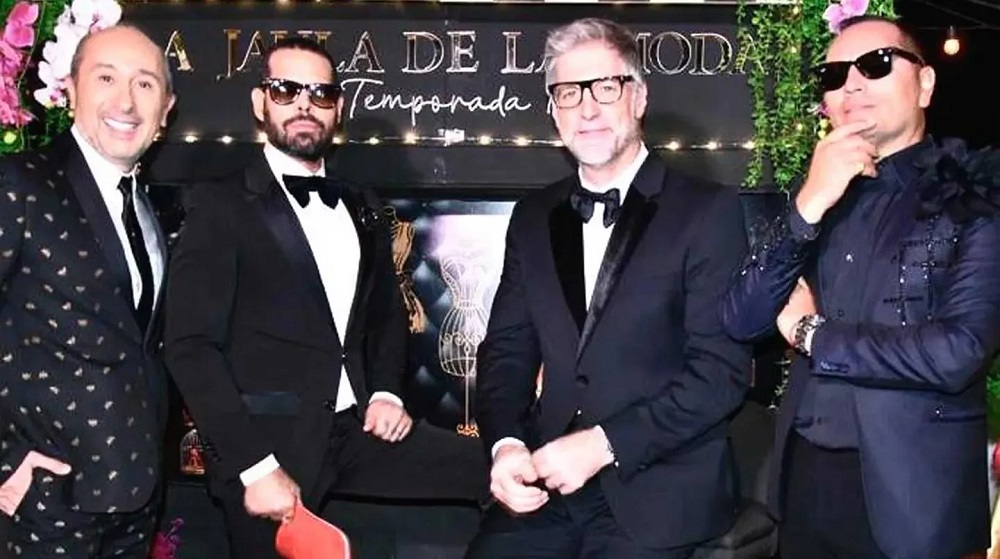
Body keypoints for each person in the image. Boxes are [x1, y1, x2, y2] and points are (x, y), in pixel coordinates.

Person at [161, 36, 488, 559]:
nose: (304, 105)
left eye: (320, 93)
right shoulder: (221, 204)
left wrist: (387, 393)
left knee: (497, 471)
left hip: (357, 430)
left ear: (338, 108)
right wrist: (254, 467)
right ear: (260, 102)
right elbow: (190, 346)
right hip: (267, 448)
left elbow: (384, 314)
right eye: (285, 90)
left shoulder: (361, 204)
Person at [466, 17, 752, 559]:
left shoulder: (708, 212)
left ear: (639, 98)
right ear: (553, 110)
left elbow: (720, 375)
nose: (588, 109)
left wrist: (602, 445)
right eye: (569, 93)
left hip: (661, 486)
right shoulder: (532, 216)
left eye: (605, 87)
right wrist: (505, 445)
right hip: (547, 484)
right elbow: (506, 353)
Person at [720, 15, 1000, 559]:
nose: (851, 85)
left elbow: (958, 352)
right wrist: (808, 203)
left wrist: (813, 334)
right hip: (803, 485)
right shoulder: (816, 195)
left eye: (876, 65)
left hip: (916, 498)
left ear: (925, 84)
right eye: (833, 75)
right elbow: (741, 318)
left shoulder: (976, 193)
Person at [0, 24, 175, 558]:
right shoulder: (18, 182)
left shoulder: (144, 204)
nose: (126, 100)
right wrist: (5, 463)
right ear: (71, 90)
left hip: (136, 501)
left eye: (145, 84)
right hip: (40, 504)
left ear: (166, 110)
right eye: (106, 78)